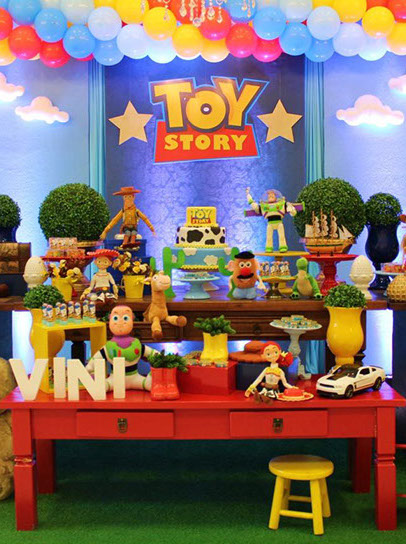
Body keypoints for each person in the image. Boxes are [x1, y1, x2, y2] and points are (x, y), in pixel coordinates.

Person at [86, 305, 158, 392]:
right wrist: (89, 368)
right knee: (104, 386)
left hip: (135, 378)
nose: (120, 322)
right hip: (114, 380)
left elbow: (154, 354)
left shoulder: (137, 345)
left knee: (146, 383)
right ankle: (106, 385)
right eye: (115, 318)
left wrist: (163, 360)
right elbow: (96, 358)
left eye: (125, 318)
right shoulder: (108, 347)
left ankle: (145, 383)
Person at [246, 187, 300, 253]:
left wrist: (291, 209)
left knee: (281, 236)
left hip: (279, 223)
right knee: (269, 237)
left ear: (276, 197)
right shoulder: (264, 206)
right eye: (269, 196)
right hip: (270, 224)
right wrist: (248, 196)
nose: (270, 196)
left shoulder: (282, 204)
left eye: (272, 195)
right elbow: (255, 206)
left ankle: (283, 247)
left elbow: (291, 210)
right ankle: (269, 247)